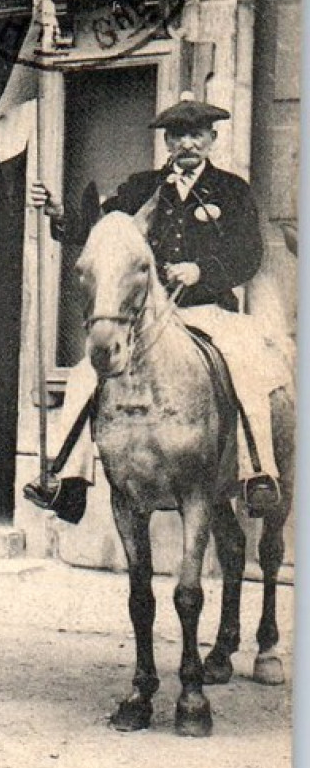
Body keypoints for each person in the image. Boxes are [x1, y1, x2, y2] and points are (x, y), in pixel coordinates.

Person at [26, 93, 287, 521]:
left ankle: (257, 473)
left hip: (208, 312)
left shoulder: (231, 190)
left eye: (196, 134)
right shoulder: (142, 188)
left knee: (249, 366)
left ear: (212, 139)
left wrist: (201, 271)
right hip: (149, 321)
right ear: (167, 142)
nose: (187, 143)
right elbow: (100, 231)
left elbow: (250, 253)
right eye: (178, 135)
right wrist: (59, 215)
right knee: (81, 376)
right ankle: (64, 480)